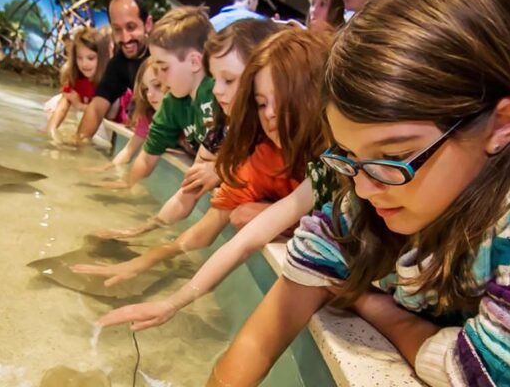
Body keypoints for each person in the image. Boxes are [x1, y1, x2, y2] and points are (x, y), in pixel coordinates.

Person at [209, 0, 510, 386]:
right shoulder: (384, 178)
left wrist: (376, 306)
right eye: (349, 155)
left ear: (502, 124)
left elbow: (503, 377)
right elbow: (295, 285)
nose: (361, 187)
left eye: (394, 155)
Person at [72, 28, 330, 292]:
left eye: (229, 80)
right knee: (241, 214)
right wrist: (144, 255)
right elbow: (201, 212)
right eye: (262, 103)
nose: (217, 90)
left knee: (244, 215)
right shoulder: (245, 143)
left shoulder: (334, 154)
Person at [88, 19, 282, 239]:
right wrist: (139, 230)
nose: (218, 90)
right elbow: (187, 190)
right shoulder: (222, 126)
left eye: (227, 80)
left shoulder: (217, 101)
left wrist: (220, 168)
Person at [90, 6, 216, 190]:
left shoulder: (216, 93)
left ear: (195, 62)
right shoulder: (172, 102)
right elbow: (149, 154)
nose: (162, 79)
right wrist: (127, 183)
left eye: (164, 69)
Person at [75, 0, 154, 143]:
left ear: (148, 24)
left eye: (131, 27)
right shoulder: (119, 63)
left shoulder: (164, 54)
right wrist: (78, 144)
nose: (125, 38)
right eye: (117, 29)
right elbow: (97, 108)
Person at [45, 27, 110, 142]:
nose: (84, 63)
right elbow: (62, 108)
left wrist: (79, 105)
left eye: (91, 58)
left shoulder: (109, 80)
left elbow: (108, 114)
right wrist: (50, 132)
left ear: (102, 57)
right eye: (79, 58)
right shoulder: (77, 79)